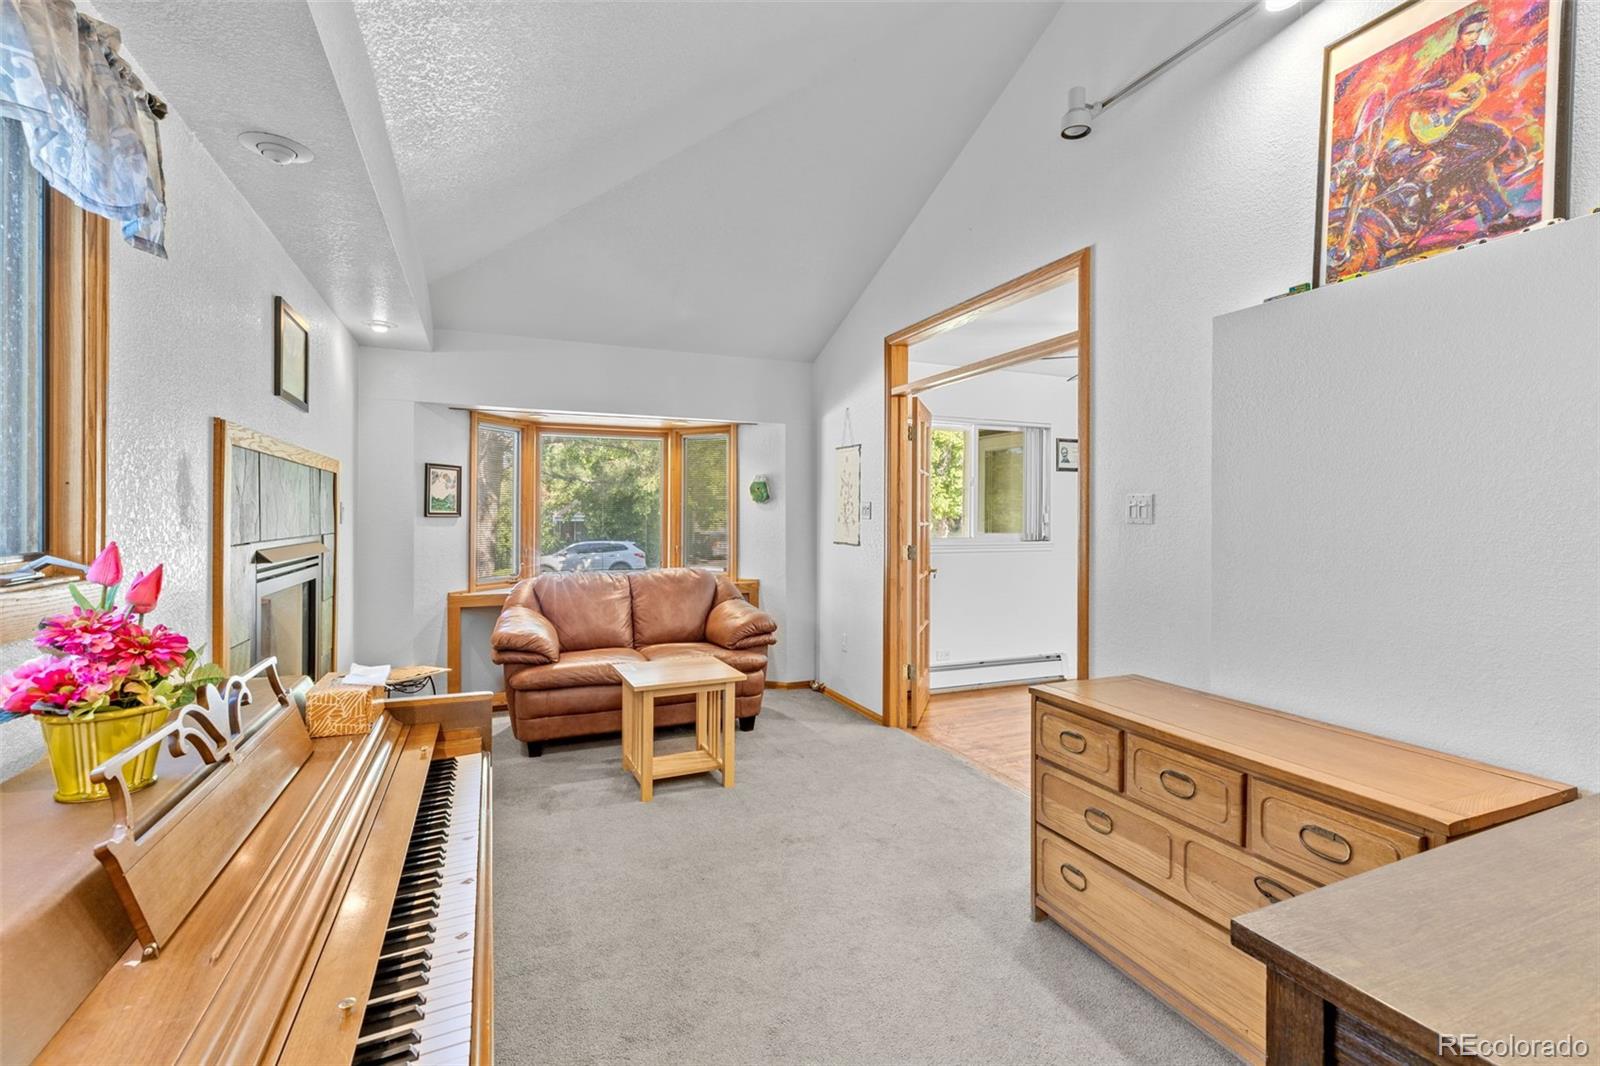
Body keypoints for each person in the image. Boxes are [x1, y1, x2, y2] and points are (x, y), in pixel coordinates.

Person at [1409, 8, 1527, 224]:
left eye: (1478, 32)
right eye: (1469, 33)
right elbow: (1416, 96)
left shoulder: (1478, 55)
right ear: (1459, 35)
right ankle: (1496, 217)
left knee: (1489, 151)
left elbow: (1485, 84)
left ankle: (1436, 189)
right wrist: (1447, 95)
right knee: (1492, 144)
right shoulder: (1444, 60)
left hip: (1461, 121)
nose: (1474, 37)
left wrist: (1505, 70)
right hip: (1434, 125)